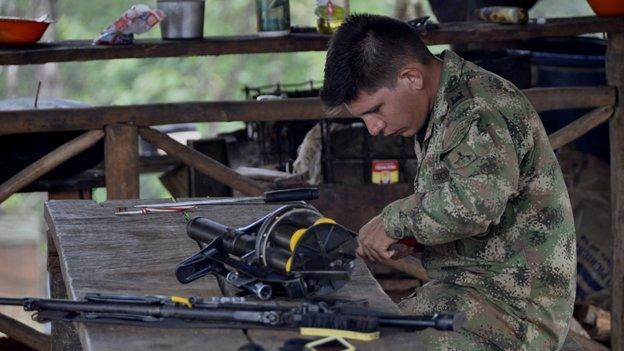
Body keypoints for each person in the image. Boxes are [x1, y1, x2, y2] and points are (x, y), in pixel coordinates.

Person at [320, 14, 576, 350]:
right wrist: (413, 239)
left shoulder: (476, 110)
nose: (374, 128)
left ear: (411, 77)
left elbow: (474, 207)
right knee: (353, 337)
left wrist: (395, 221)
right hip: (468, 288)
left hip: (513, 307)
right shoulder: (443, 102)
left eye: (376, 109)